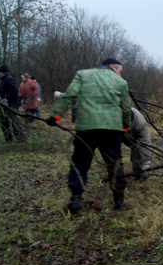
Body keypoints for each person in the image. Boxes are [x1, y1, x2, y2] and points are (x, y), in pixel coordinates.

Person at [47, 58, 131, 213]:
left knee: (80, 162)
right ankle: (119, 201)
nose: (119, 74)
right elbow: (126, 108)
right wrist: (125, 128)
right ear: (113, 67)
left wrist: (55, 116)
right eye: (119, 70)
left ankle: (75, 199)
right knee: (115, 164)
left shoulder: (83, 75)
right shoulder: (121, 83)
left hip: (86, 128)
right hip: (111, 129)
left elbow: (69, 96)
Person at [0, 65, 25, 142]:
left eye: (0, 72)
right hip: (6, 105)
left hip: (11, 104)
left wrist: (6, 97)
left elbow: (14, 90)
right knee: (4, 122)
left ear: (3, 73)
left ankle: (21, 139)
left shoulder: (9, 79)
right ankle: (9, 140)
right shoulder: (3, 81)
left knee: (13, 122)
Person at [122, 107, 152, 181]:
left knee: (137, 151)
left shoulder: (140, 122)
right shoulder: (115, 117)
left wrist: (146, 165)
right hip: (118, 133)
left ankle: (139, 174)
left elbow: (146, 144)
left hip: (134, 137)